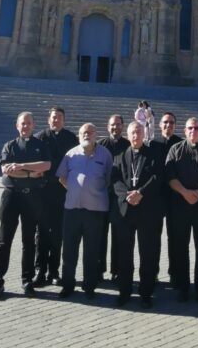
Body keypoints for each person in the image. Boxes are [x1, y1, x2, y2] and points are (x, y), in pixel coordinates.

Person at [0, 112, 51, 300]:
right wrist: (31, 173)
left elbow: (46, 165)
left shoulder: (41, 145)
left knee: (29, 241)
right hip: (11, 197)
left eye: (29, 123)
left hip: (32, 197)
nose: (25, 126)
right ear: (17, 126)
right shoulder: (10, 145)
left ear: (34, 126)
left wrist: (21, 167)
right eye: (22, 123)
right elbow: (6, 171)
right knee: (4, 240)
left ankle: (27, 280)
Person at [57, 123, 113, 299]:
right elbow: (62, 177)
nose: (86, 135)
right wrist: (76, 189)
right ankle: (68, 285)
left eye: (89, 132)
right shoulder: (70, 154)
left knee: (92, 250)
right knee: (69, 250)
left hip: (95, 211)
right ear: (79, 135)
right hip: (72, 209)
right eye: (83, 133)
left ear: (96, 134)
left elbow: (109, 179)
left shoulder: (105, 154)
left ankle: (89, 286)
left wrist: (91, 191)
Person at [111, 120, 163, 308]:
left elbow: (157, 178)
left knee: (147, 253)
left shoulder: (154, 155)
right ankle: (124, 291)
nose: (136, 135)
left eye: (139, 132)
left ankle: (146, 293)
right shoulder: (119, 156)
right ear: (128, 134)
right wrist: (127, 195)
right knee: (124, 254)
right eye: (133, 132)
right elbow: (115, 180)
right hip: (125, 212)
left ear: (144, 134)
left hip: (147, 211)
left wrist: (141, 193)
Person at [165, 117, 198, 302]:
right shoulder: (175, 150)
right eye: (189, 128)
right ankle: (183, 287)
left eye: (196, 128)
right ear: (184, 131)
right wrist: (185, 192)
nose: (193, 130)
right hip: (180, 206)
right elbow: (170, 176)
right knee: (180, 246)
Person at [33, 106, 78, 286]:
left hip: (62, 192)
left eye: (59, 117)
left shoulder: (70, 138)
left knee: (58, 233)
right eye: (53, 117)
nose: (56, 120)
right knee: (41, 232)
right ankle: (39, 270)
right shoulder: (40, 137)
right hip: (43, 192)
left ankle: (54, 271)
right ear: (48, 119)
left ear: (64, 120)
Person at [98, 114, 130, 281]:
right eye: (112, 125)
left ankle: (116, 270)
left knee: (119, 234)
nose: (115, 127)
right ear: (107, 126)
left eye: (118, 125)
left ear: (122, 127)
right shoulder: (101, 145)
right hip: (102, 195)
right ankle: (99, 269)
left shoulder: (128, 145)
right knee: (100, 233)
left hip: (119, 198)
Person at [152, 111, 182, 287]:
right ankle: (153, 272)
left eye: (171, 123)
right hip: (156, 198)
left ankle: (174, 273)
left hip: (175, 197)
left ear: (175, 126)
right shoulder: (152, 144)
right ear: (159, 125)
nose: (168, 125)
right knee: (153, 237)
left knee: (175, 237)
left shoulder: (179, 143)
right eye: (165, 122)